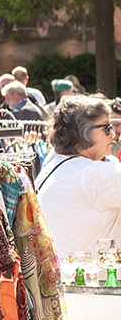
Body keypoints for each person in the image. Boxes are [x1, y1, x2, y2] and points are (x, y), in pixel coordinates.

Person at [35, 94, 121, 257]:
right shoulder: (93, 175)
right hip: (87, 279)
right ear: (84, 132)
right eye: (106, 128)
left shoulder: (54, 163)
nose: (113, 135)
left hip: (62, 276)